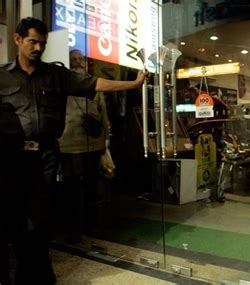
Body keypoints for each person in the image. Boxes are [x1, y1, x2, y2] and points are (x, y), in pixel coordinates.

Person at [0, 17, 147, 285]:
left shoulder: (57, 75)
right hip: (11, 158)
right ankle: (25, 272)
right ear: (18, 40)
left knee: (41, 220)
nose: (37, 48)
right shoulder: (1, 77)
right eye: (32, 41)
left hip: (45, 156)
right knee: (14, 218)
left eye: (42, 43)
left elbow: (96, 84)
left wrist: (133, 85)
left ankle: (38, 275)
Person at [55, 50, 110, 242]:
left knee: (91, 189)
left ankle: (90, 226)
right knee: (70, 191)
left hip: (93, 145)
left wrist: (105, 142)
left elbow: (103, 115)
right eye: (74, 60)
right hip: (68, 146)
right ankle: (73, 229)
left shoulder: (95, 85)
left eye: (81, 60)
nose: (78, 63)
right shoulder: (63, 84)